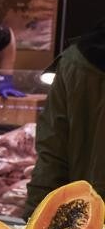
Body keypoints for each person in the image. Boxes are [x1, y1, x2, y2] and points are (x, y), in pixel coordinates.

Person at [26, 20, 105, 207]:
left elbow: (52, 155)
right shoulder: (74, 62)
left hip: (83, 216)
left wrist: (34, 214)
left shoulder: (75, 61)